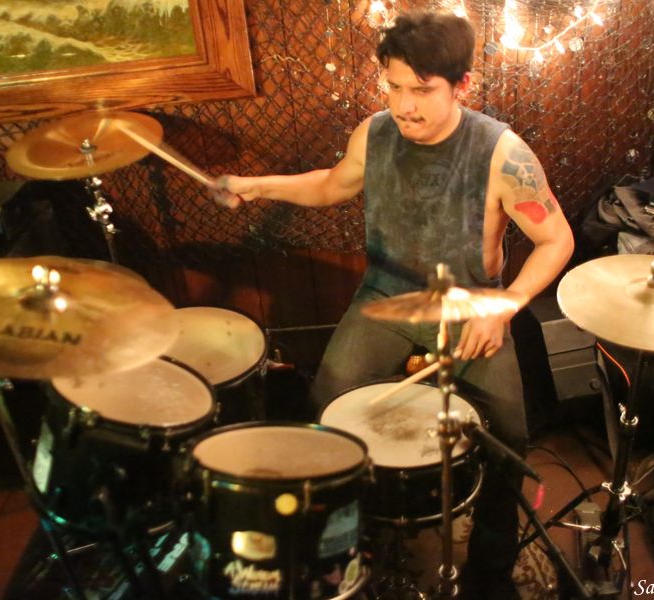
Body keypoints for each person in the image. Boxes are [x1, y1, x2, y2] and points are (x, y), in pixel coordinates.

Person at [214, 11, 574, 598]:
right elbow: (332, 183)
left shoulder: (501, 153)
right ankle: (343, 545)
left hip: (469, 307)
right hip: (385, 294)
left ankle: (490, 571)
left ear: (462, 85)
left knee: (506, 439)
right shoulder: (374, 132)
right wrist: (259, 186)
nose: (404, 106)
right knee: (326, 412)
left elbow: (555, 239)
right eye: (394, 86)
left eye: (422, 90)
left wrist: (504, 306)